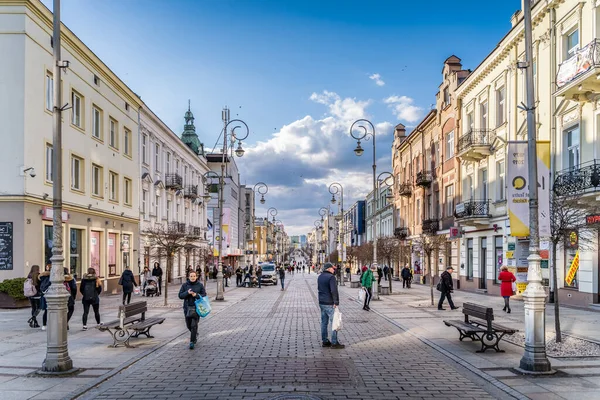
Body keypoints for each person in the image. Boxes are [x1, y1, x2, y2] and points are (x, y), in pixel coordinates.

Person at [317, 262, 344, 349]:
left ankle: (325, 341)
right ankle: (334, 342)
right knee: (334, 322)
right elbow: (334, 290)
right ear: (328, 269)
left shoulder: (320, 276)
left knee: (324, 322)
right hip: (330, 303)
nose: (334, 269)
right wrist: (336, 302)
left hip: (322, 302)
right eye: (332, 268)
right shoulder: (331, 277)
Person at [178, 271, 206, 349]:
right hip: (187, 308)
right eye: (191, 276)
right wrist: (187, 293)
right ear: (189, 277)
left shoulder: (200, 285)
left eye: (194, 276)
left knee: (194, 325)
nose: (193, 277)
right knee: (188, 325)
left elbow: (204, 295)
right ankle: (195, 333)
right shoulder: (185, 285)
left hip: (196, 308)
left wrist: (196, 295)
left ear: (196, 277)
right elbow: (180, 295)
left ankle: (192, 341)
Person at [39, 263, 52, 331]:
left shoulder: (42, 277)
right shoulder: (52, 277)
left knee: (46, 311)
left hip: (43, 295)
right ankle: (48, 324)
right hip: (50, 295)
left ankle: (44, 325)